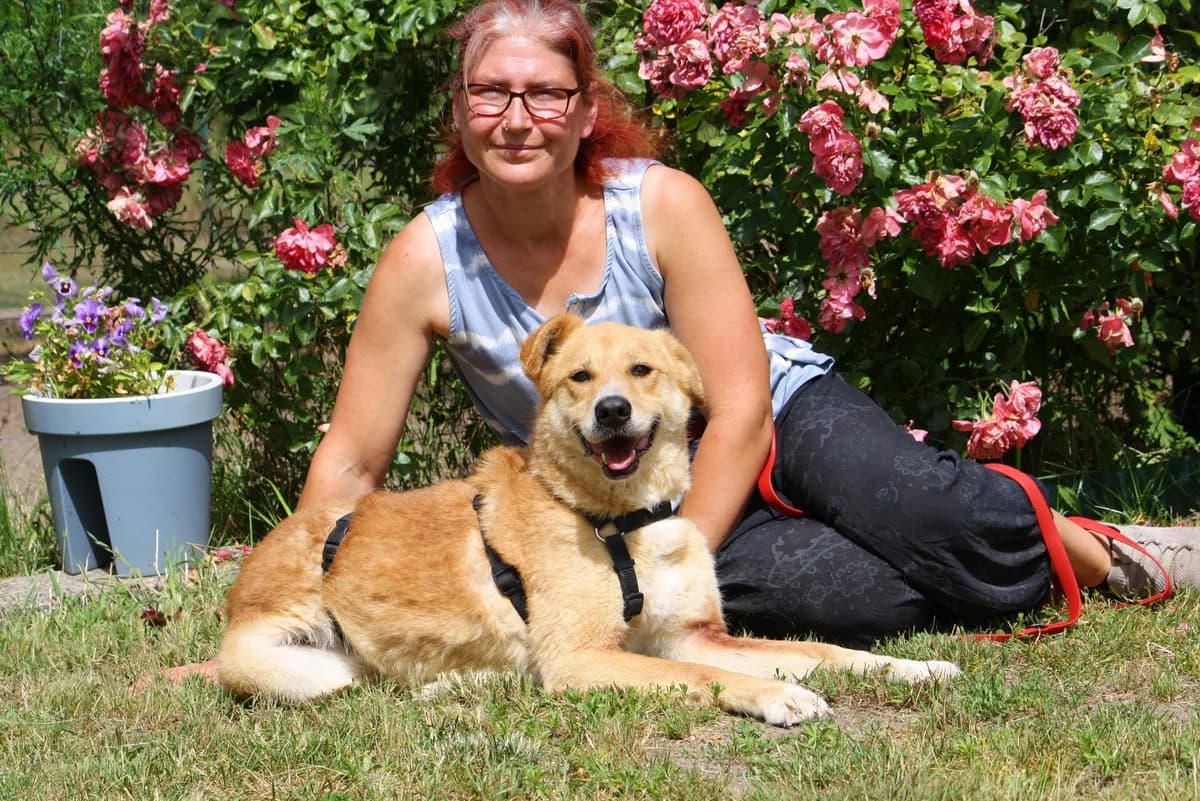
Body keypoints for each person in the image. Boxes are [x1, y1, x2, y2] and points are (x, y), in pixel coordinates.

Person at [300, 0, 1199, 649]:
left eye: (544, 94)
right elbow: (350, 462)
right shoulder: (425, 259)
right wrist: (298, 599)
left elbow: (736, 408)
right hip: (614, 495)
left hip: (770, 416)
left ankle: (1087, 544)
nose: (518, 119)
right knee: (858, 601)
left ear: (582, 111)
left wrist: (671, 561)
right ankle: (956, 559)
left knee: (922, 506)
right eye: (492, 93)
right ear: (460, 108)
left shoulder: (660, 206)